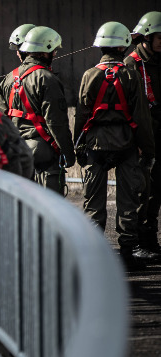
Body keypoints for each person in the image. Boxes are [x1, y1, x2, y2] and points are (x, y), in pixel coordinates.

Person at [74, 22, 155, 269]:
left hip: (96, 145)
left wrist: (78, 147)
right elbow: (141, 116)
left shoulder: (89, 74)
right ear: (123, 45)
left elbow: (81, 114)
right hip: (127, 144)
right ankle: (128, 252)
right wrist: (148, 149)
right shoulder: (130, 74)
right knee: (128, 200)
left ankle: (95, 255)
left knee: (93, 202)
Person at [0, 26, 75, 193]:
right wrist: (68, 154)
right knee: (51, 208)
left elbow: (0, 119)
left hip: (16, 151)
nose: (54, 54)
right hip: (43, 151)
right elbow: (57, 122)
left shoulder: (8, 78)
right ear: (44, 52)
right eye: (53, 51)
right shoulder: (48, 79)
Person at [125, 11, 161, 257]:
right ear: (147, 37)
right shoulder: (132, 64)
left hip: (159, 134)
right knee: (141, 191)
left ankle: (150, 241)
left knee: (156, 191)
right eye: (160, 37)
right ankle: (136, 243)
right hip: (141, 138)